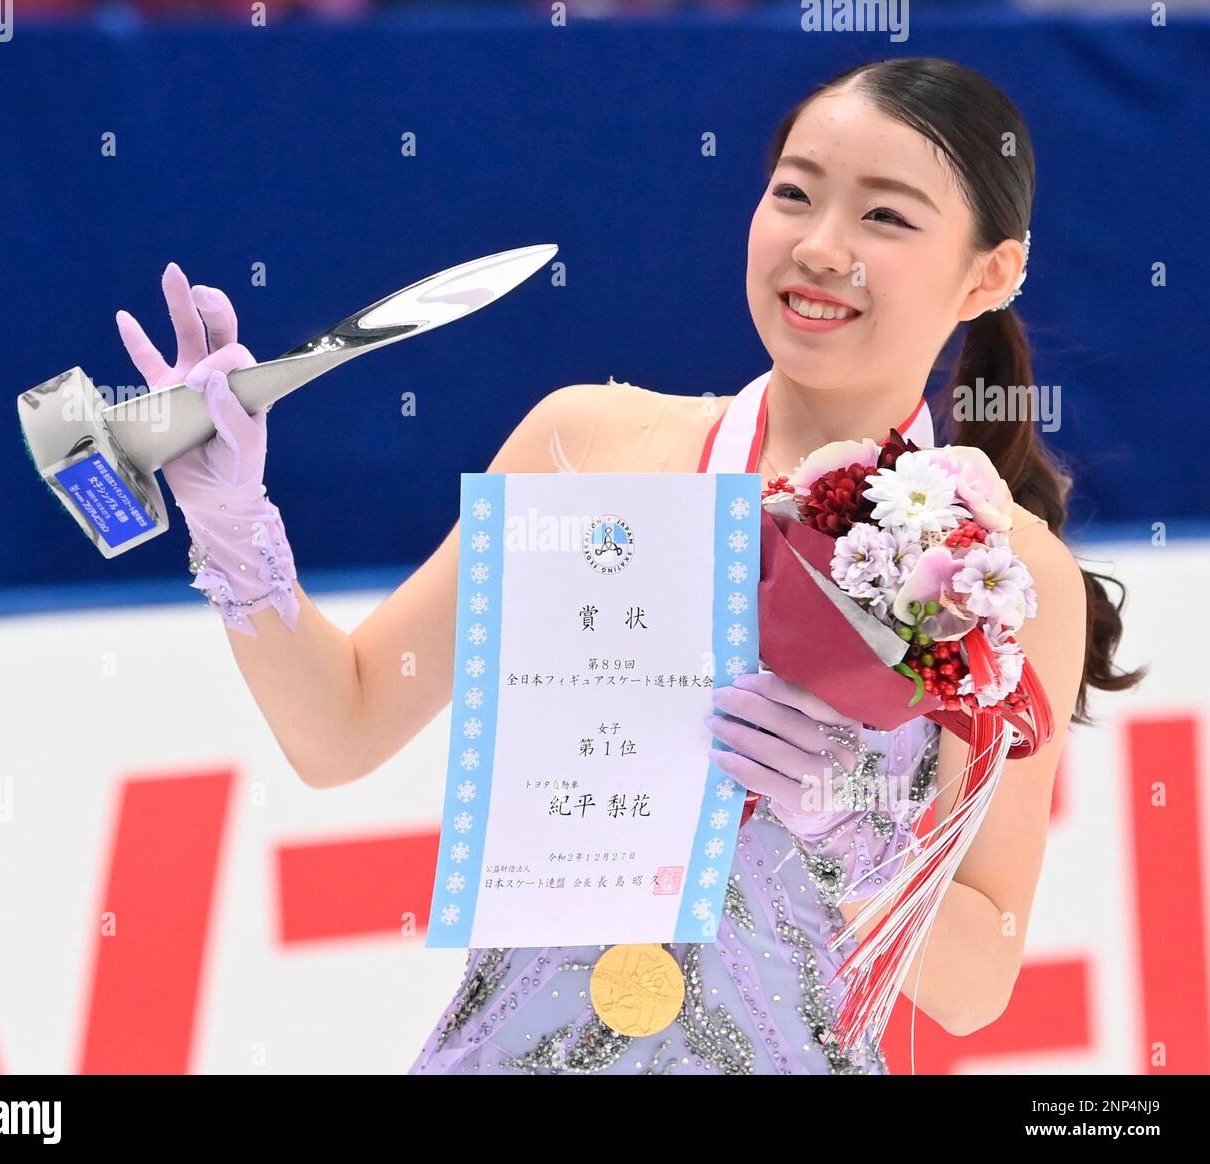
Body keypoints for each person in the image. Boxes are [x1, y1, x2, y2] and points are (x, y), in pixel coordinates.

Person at [115, 57, 1143, 1073]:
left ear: (988, 274)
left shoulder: (998, 569)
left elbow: (975, 984)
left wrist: (857, 836)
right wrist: (233, 525)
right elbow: (340, 729)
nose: (820, 246)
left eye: (884, 216)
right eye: (793, 193)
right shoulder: (585, 444)